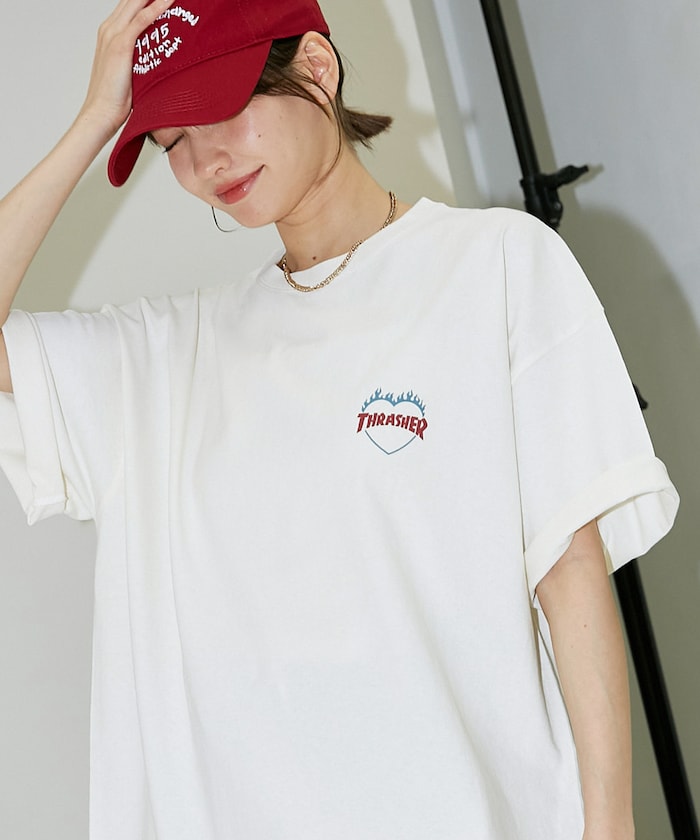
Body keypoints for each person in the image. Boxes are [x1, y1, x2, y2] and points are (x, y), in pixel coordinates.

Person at [0, 0, 679, 838]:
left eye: (221, 109)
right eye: (172, 143)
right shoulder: (165, 359)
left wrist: (610, 826)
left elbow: (569, 565)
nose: (205, 161)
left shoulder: (496, 265)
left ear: (316, 68)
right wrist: (95, 121)